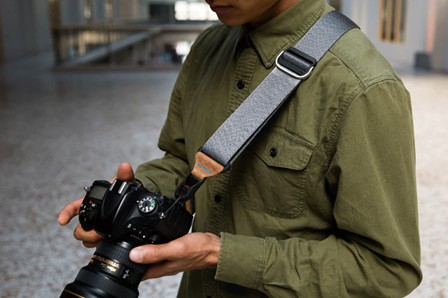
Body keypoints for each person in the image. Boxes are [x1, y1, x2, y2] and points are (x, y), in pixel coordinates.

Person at [58, 0, 423, 297]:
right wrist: (131, 199)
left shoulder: (362, 87)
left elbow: (386, 268)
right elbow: (182, 161)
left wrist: (220, 254)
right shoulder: (208, 48)